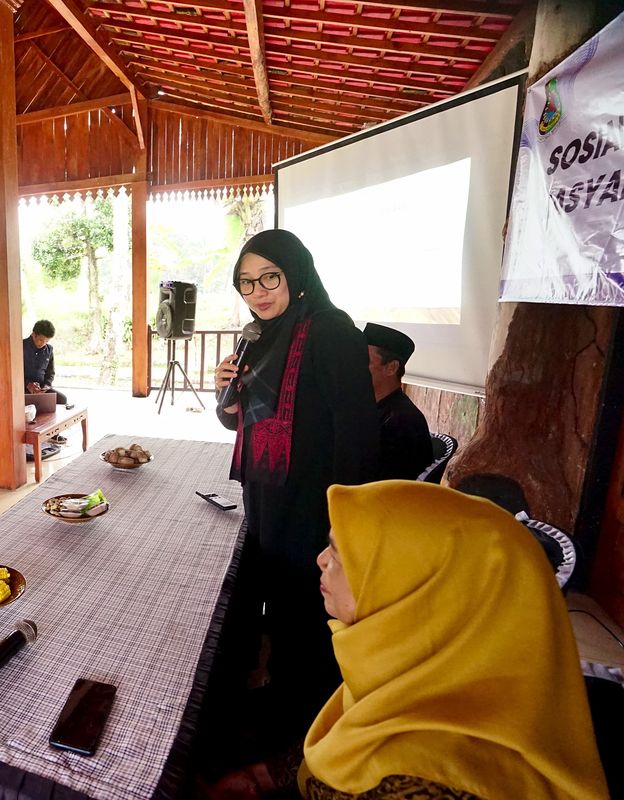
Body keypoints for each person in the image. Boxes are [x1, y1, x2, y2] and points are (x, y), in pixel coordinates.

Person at [299, 481, 609, 800]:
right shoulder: (418, 666)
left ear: (416, 586)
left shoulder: (427, 784)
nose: (321, 559)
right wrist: (267, 774)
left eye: (340, 553)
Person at [214, 229, 379, 743]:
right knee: (277, 602)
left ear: (297, 275)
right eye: (247, 283)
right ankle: (281, 703)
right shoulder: (259, 336)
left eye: (270, 277)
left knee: (307, 616)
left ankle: (307, 731)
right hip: (266, 493)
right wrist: (227, 392)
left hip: (312, 503)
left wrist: (341, 524)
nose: (259, 292)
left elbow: (357, 434)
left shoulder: (330, 331)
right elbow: (238, 421)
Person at [363, 323, 433, 481]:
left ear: (391, 368)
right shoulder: (366, 407)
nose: (354, 367)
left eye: (364, 360)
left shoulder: (404, 422)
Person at [23, 320, 68, 405]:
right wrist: (28, 384)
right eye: (40, 340)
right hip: (24, 389)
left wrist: (47, 385)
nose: (43, 344)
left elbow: (50, 372)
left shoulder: (49, 350)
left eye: (46, 341)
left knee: (62, 399)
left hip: (42, 389)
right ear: (34, 334)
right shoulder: (21, 346)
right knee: (31, 403)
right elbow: (14, 374)